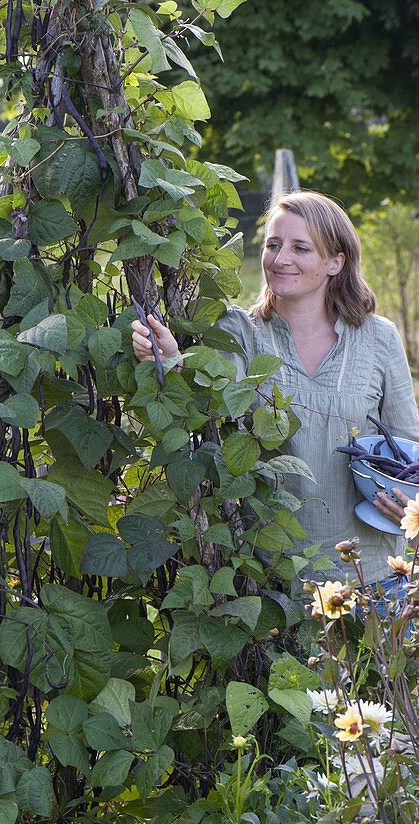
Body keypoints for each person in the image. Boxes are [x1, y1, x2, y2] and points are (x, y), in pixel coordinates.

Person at [131, 190, 419, 591]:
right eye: (273, 245)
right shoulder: (240, 331)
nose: (281, 259)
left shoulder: (377, 338)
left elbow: (409, 447)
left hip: (372, 579)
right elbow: (210, 408)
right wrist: (171, 359)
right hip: (273, 582)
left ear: (335, 262)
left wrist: (411, 505)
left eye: (301, 248)